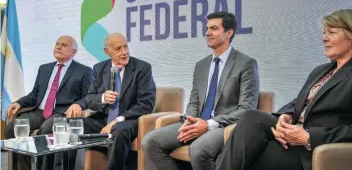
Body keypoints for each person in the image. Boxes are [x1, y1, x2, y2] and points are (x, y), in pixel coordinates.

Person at [215, 9, 352, 170]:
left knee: (249, 156)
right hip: (294, 131)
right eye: (324, 33)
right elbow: (299, 101)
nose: (324, 38)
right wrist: (285, 115)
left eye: (331, 33)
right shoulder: (320, 70)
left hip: (315, 146)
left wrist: (308, 137)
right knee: (251, 116)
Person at [142, 11, 260, 170]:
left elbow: (247, 109)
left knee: (198, 150)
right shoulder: (201, 65)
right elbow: (194, 101)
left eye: (214, 28)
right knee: (150, 141)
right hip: (196, 122)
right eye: (207, 28)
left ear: (229, 33)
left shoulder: (246, 63)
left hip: (223, 126)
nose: (207, 33)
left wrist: (209, 124)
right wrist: (189, 120)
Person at [56, 33, 156, 170]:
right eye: (118, 49)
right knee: (68, 125)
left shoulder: (142, 68)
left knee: (118, 131)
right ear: (107, 52)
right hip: (103, 120)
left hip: (128, 120)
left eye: (125, 47)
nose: (124, 52)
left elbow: (146, 104)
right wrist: (102, 98)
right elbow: (90, 98)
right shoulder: (99, 68)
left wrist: (118, 120)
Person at [5, 35, 92, 170]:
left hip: (62, 113)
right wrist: (20, 103)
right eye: (57, 44)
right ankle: (30, 167)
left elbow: (88, 96)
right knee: (11, 128)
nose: (58, 47)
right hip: (39, 112)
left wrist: (78, 104)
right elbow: (34, 94)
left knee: (45, 130)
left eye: (63, 45)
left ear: (74, 52)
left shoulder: (84, 71)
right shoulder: (44, 68)